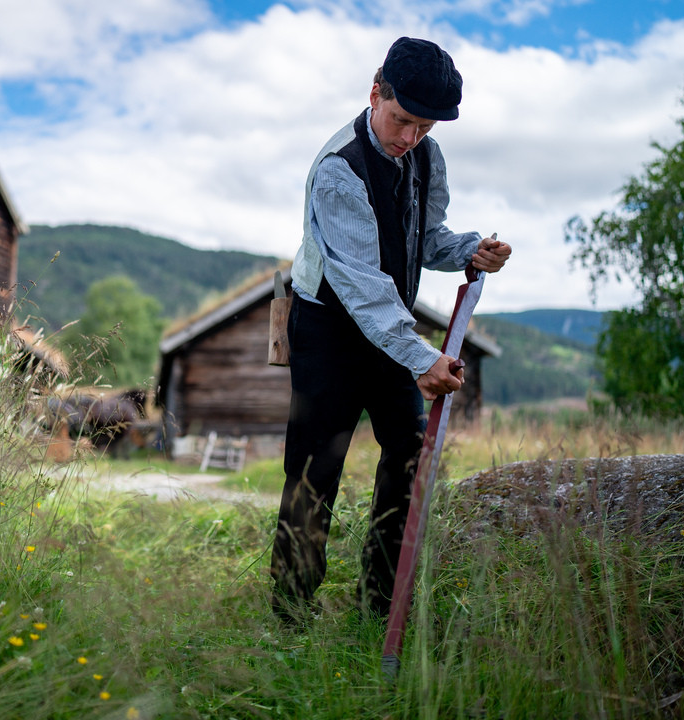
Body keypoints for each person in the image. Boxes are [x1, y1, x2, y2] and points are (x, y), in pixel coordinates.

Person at [270, 37, 511, 625]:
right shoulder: (339, 170)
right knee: (314, 468)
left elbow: (426, 240)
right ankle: (291, 613)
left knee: (408, 452)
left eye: (425, 128)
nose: (410, 139)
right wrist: (419, 355)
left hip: (389, 326)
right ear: (376, 91)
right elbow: (362, 285)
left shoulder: (427, 158)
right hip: (329, 327)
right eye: (402, 120)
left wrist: (469, 251)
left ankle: (381, 599)